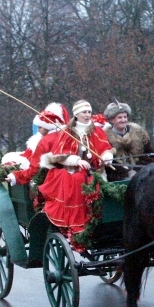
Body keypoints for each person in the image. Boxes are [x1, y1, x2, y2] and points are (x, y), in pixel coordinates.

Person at [38, 99, 114, 248]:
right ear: (76, 114)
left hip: (95, 171)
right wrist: (76, 161)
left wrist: (106, 157)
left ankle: (101, 222)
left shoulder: (97, 131)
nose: (87, 115)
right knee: (78, 180)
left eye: (89, 112)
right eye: (84, 112)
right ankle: (78, 227)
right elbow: (60, 154)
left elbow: (105, 148)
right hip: (71, 171)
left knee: (99, 182)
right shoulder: (68, 131)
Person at [5, 103, 70, 186]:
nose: (38, 131)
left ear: (48, 126)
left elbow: (34, 169)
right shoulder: (66, 136)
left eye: (40, 127)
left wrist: (15, 176)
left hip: (50, 182)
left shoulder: (45, 141)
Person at [103, 99, 154, 181]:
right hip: (117, 176)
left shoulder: (139, 133)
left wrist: (137, 171)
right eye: (119, 118)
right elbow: (108, 163)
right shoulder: (104, 137)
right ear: (111, 120)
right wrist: (125, 173)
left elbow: (150, 154)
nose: (123, 120)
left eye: (125, 117)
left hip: (141, 172)